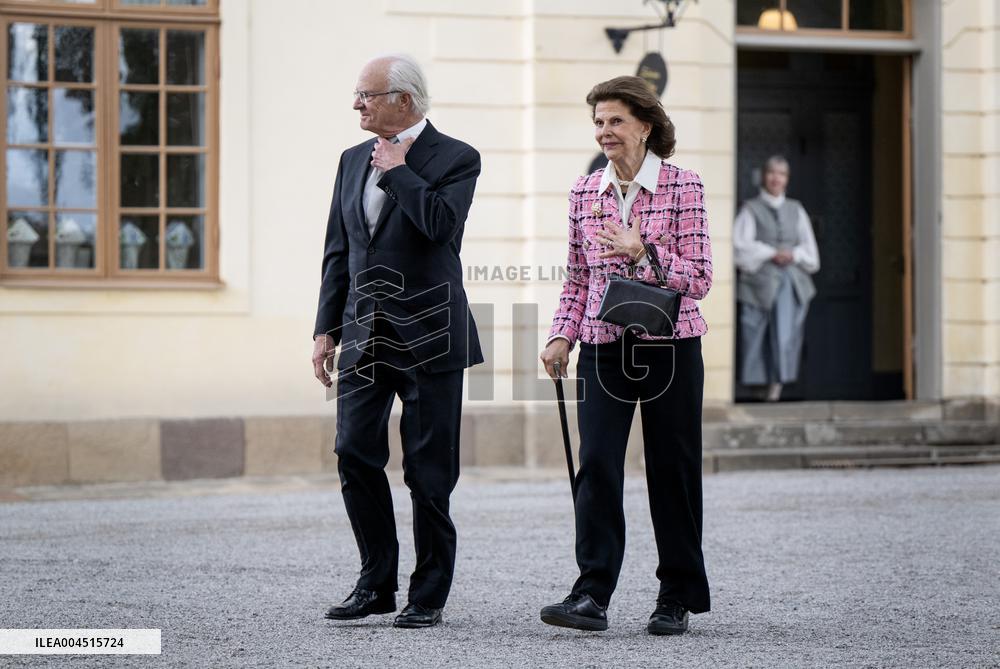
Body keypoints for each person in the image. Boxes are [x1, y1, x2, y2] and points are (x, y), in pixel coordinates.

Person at [311, 54, 483, 629]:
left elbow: (440, 226)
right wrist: (325, 327)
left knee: (430, 473)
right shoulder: (349, 159)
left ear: (402, 100)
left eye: (366, 94)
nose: (356, 105)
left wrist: (399, 168)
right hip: (365, 335)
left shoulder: (456, 157)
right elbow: (342, 249)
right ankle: (375, 583)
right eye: (357, 95)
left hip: (432, 335)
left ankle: (427, 594)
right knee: (353, 453)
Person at [538, 76, 713, 636]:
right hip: (603, 347)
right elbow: (578, 277)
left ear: (645, 125)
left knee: (673, 470)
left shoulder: (684, 186)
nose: (604, 131)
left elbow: (702, 278)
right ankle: (591, 593)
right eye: (598, 122)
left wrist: (645, 250)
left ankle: (676, 597)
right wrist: (561, 334)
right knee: (598, 467)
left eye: (614, 120)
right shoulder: (584, 192)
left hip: (671, 347)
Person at [733, 156, 819, 401]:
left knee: (785, 334)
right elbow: (740, 247)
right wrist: (771, 252)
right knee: (755, 333)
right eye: (772, 172)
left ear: (786, 179)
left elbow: (810, 251)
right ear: (764, 176)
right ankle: (756, 386)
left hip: (790, 283)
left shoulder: (796, 209)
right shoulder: (750, 209)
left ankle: (777, 386)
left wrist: (792, 254)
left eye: (781, 174)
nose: (776, 178)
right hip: (758, 284)